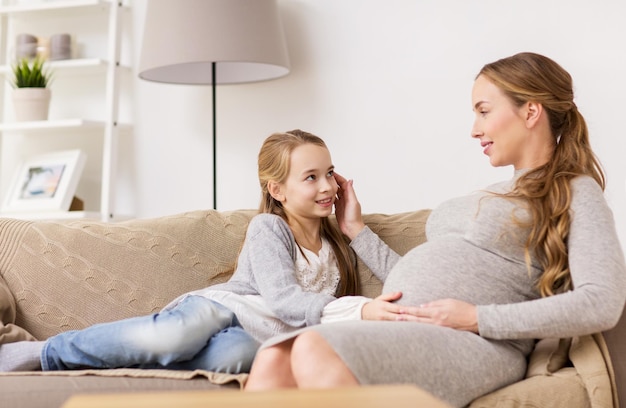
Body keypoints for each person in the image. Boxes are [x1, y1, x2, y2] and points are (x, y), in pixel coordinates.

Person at [244, 52, 626, 407]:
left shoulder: (575, 190)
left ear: (530, 112)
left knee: (312, 347)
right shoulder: (493, 192)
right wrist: (356, 230)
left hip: (477, 341)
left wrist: (478, 318)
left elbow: (602, 302)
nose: (475, 130)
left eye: (484, 111)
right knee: (274, 357)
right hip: (416, 325)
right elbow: (416, 282)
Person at [0, 129, 412, 374]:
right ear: (277, 190)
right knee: (173, 338)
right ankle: (41, 352)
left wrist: (355, 227)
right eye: (310, 177)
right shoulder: (269, 228)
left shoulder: (337, 244)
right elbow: (286, 303)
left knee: (238, 359)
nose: (326, 187)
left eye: (328, 174)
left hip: (255, 337)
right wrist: (360, 310)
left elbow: (410, 280)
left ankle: (115, 367)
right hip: (221, 310)